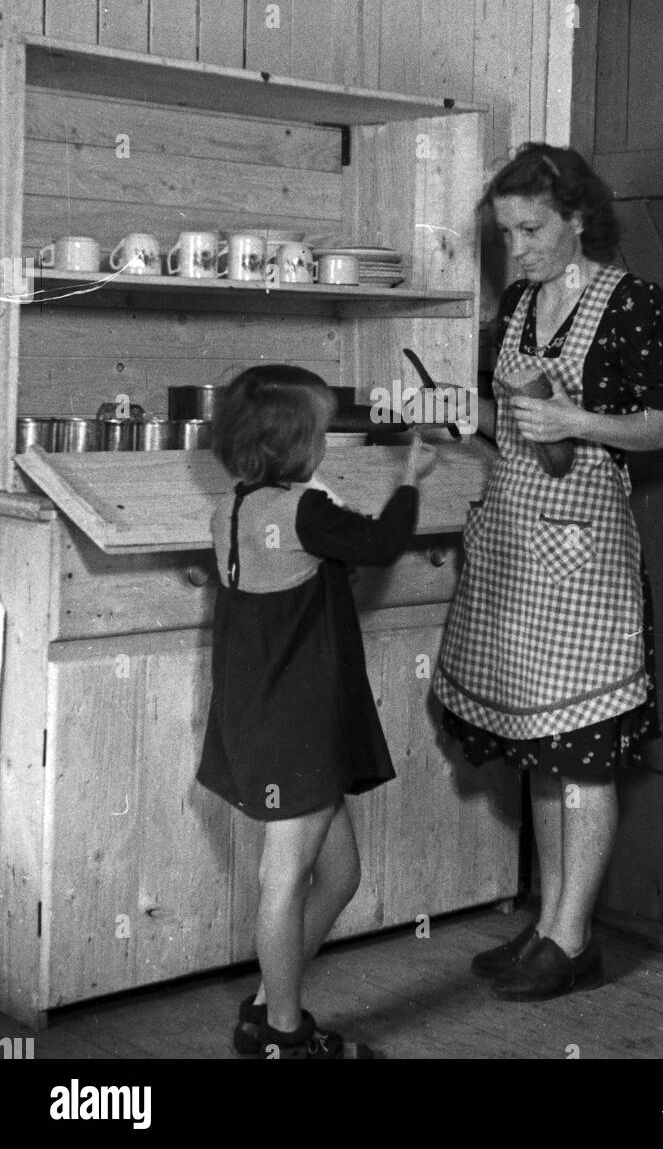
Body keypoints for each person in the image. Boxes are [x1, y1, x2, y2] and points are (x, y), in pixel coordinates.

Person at [432, 143, 663, 1002]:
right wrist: (441, 416)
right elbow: (501, 421)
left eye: (532, 228)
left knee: (580, 752)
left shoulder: (633, 303)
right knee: (539, 746)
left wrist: (575, 417)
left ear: (579, 216)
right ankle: (546, 925)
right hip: (510, 541)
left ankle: (573, 938)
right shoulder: (516, 304)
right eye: (506, 233)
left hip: (582, 549)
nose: (520, 247)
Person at [197, 365, 426, 1058]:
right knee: (286, 876)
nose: (326, 441)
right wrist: (411, 477)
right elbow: (380, 544)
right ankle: (285, 1036)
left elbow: (302, 578)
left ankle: (270, 1002)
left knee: (340, 875)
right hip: (297, 723)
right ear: (294, 447)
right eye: (321, 431)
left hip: (265, 718)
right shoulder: (302, 510)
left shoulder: (234, 508)